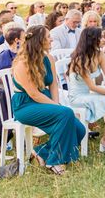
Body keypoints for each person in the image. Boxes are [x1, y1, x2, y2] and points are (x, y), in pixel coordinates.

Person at [11, 25, 86, 175]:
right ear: (39, 40)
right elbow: (34, 94)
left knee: (80, 129)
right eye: (48, 37)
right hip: (25, 105)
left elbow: (53, 84)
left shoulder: (48, 58)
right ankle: (55, 162)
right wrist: (59, 109)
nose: (51, 39)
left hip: (44, 99)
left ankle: (41, 152)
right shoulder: (21, 64)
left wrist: (57, 105)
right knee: (65, 114)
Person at [67, 27, 105, 153]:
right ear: (92, 40)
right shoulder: (79, 59)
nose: (103, 39)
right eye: (100, 37)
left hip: (88, 94)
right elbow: (92, 87)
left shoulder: (99, 54)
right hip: (77, 97)